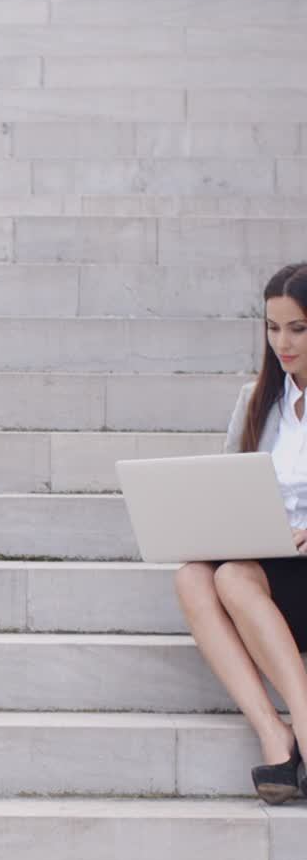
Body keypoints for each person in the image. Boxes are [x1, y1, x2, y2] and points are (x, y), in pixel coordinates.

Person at [175, 262, 307, 804]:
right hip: (267, 562)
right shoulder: (258, 402)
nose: (282, 342)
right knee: (192, 576)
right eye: (272, 328)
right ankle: (275, 735)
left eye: (298, 328)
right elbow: (229, 485)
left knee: (232, 578)